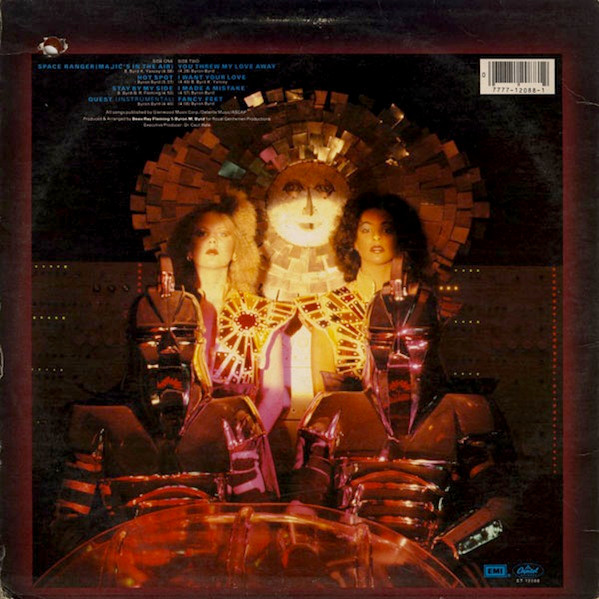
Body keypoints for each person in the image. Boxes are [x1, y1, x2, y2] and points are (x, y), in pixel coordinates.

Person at [51, 280, 279, 557]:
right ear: (132, 342)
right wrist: (120, 557)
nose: (168, 348)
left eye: (181, 334)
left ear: (199, 340)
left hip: (208, 564)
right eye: (154, 336)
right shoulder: (98, 421)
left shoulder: (231, 418)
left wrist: (224, 555)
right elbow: (68, 528)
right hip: (132, 567)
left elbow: (258, 518)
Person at [166, 193, 295, 432]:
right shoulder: (169, 311)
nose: (213, 241)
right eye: (202, 233)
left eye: (223, 234)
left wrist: (247, 438)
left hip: (244, 441)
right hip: (182, 439)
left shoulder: (263, 313)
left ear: (237, 250)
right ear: (188, 249)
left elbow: (275, 394)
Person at [297, 192, 430, 394]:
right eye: (366, 230)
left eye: (387, 230)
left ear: (400, 238)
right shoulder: (325, 310)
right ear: (353, 240)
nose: (376, 237)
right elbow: (323, 397)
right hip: (346, 413)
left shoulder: (423, 302)